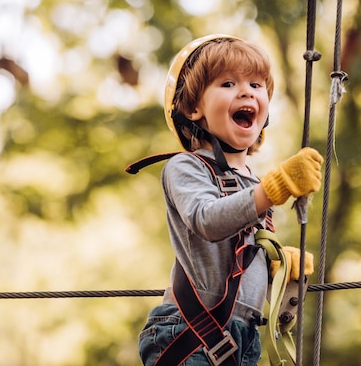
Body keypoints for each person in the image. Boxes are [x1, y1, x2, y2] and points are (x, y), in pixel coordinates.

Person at [136, 34, 323, 366]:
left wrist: (272, 264)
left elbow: (231, 257)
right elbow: (208, 220)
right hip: (187, 333)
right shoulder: (185, 166)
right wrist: (274, 188)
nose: (247, 91)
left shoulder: (252, 183)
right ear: (193, 108)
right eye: (227, 83)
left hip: (241, 338)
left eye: (256, 84)